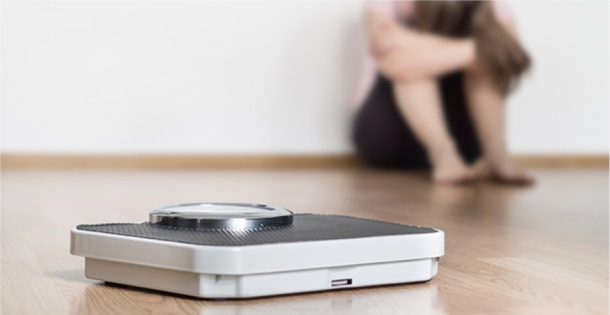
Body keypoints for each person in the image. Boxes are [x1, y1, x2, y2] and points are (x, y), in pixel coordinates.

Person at [353, 0, 533, 185]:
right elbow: (391, 56)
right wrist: (482, 50)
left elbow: (513, 59)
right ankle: (443, 154)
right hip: (388, 135)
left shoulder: (493, 5)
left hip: (465, 141)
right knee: (412, 64)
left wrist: (410, 40)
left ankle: (496, 155)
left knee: (484, 67)